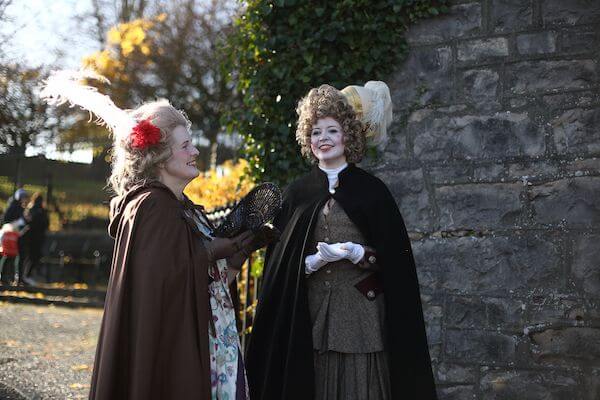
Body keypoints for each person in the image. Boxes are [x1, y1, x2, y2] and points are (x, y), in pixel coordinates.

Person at [41, 70, 275, 400]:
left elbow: (204, 288)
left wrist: (237, 253)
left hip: (206, 349)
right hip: (172, 355)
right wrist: (209, 252)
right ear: (161, 155)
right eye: (186, 145)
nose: (195, 152)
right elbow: (162, 285)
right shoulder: (152, 207)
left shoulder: (183, 208)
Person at [246, 83, 438, 400]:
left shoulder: (373, 191)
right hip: (312, 311)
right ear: (308, 139)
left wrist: (360, 253)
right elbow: (280, 265)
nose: (324, 139)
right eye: (316, 132)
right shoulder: (297, 194)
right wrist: (310, 262)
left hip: (361, 314)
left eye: (332, 130)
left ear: (347, 135)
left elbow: (396, 260)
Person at [21, 192, 49, 284]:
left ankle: (26, 275)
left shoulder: (30, 209)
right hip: (38, 238)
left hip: (29, 237)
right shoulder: (42, 211)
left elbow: (27, 222)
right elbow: (46, 224)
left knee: (29, 257)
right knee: (34, 257)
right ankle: (27, 275)